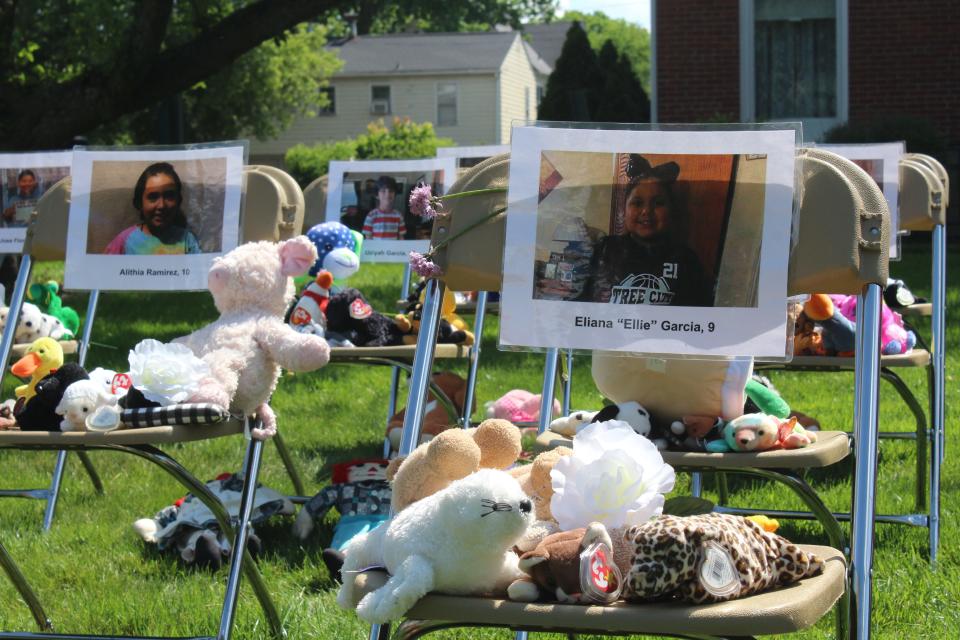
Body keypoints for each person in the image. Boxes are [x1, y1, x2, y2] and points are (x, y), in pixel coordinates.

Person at [580, 154, 712, 306]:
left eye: (658, 203)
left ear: (671, 210)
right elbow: (584, 304)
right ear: (625, 209)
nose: (646, 211)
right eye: (637, 203)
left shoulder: (686, 260)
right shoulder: (606, 249)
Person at [104, 162, 202, 255]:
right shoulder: (124, 242)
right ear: (139, 203)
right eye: (153, 197)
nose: (161, 206)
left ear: (179, 200)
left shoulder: (187, 240)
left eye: (169, 196)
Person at [361, 175, 406, 240]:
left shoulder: (398, 216)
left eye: (391, 191)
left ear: (395, 194)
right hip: (377, 250)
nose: (387, 194)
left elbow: (401, 238)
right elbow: (368, 239)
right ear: (377, 195)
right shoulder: (371, 216)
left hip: (394, 250)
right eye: (383, 191)